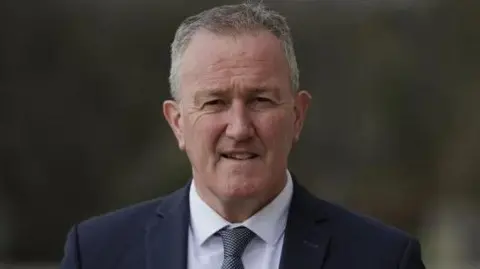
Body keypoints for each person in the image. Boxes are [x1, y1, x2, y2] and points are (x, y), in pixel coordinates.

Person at [60, 2, 426, 269]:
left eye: (261, 100)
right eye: (215, 102)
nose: (239, 128)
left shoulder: (382, 259)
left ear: (297, 116)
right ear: (177, 123)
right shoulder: (95, 254)